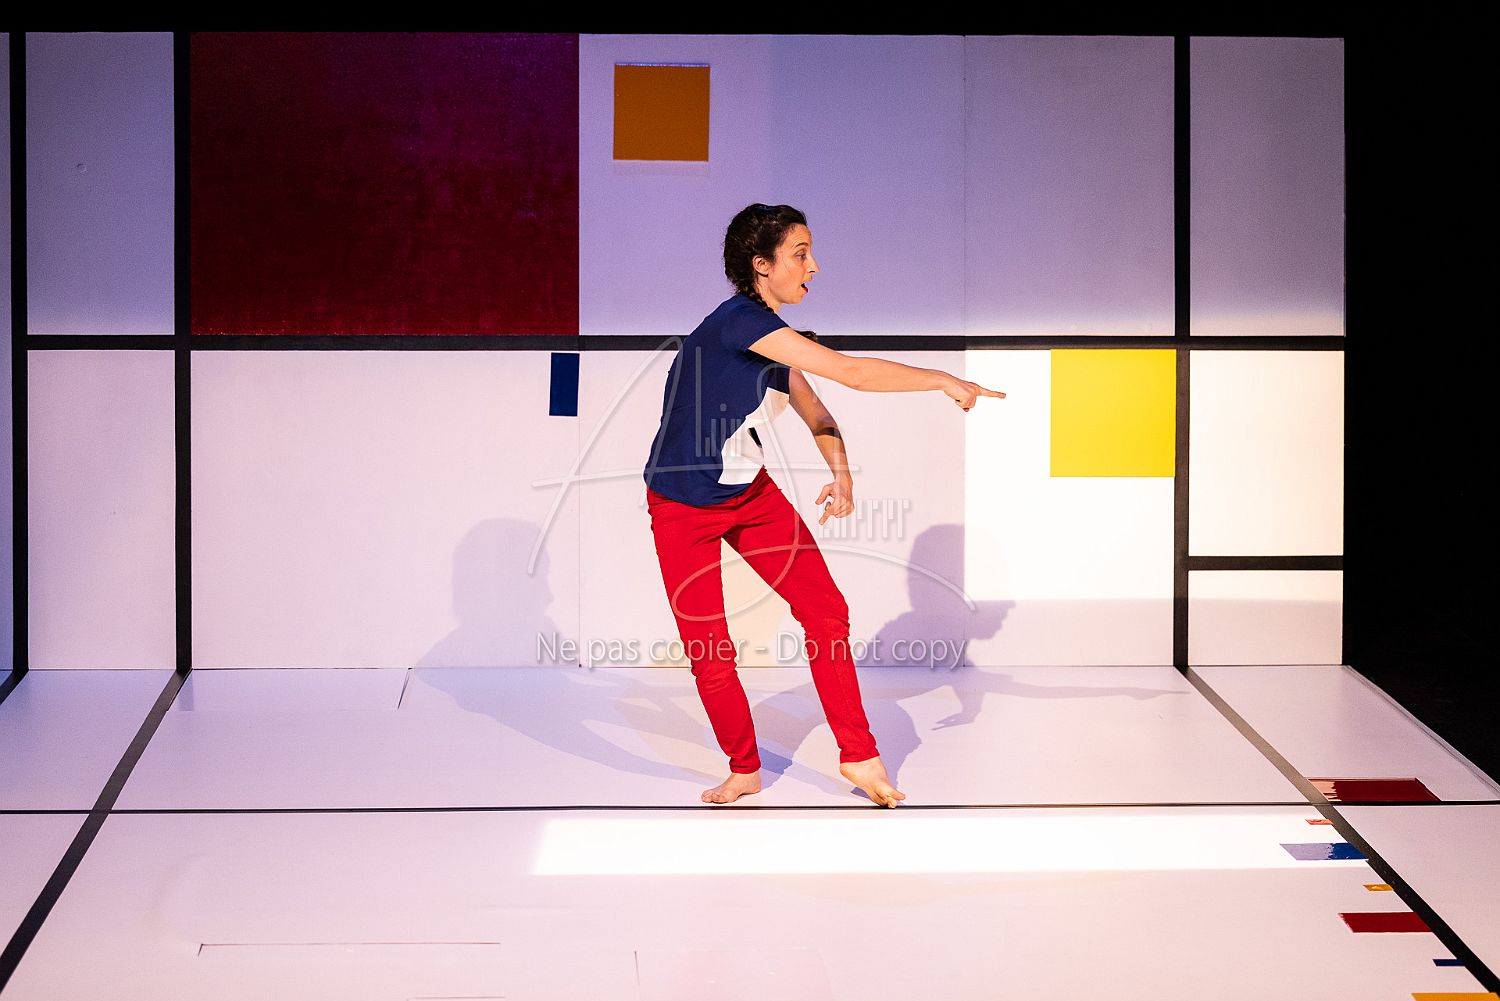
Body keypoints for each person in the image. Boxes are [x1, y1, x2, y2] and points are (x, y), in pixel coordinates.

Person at [642, 203, 1005, 806]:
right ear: (762, 265)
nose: (814, 266)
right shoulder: (738, 323)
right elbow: (851, 374)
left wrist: (842, 475)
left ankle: (859, 756)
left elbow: (818, 413)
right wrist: (942, 379)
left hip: (749, 495)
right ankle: (744, 768)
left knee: (826, 611)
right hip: (682, 505)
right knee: (710, 647)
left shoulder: (775, 341)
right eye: (800, 254)